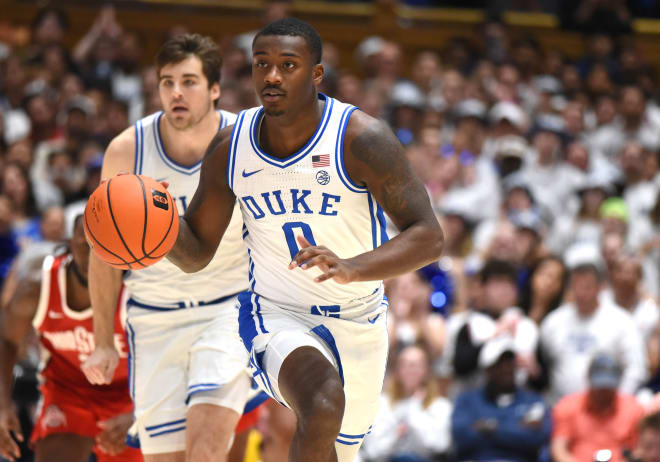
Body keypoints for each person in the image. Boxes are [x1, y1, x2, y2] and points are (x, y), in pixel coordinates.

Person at [166, 18, 444, 462]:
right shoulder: (229, 147)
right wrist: (158, 229)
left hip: (360, 318)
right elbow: (196, 250)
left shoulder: (361, 138)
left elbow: (429, 237)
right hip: (275, 312)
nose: (272, 76)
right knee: (321, 402)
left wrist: (355, 267)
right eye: (262, 64)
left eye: (287, 65)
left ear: (316, 74)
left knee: (338, 446)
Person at [81, 34, 258, 462]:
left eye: (189, 81)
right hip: (155, 318)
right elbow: (103, 252)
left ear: (215, 89)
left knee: (206, 448)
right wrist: (103, 339)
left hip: (228, 310)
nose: (176, 92)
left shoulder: (246, 141)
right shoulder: (127, 151)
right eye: (167, 82)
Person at [0, 215, 142, 462]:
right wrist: (2, 404)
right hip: (67, 392)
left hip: (128, 395)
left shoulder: (137, 293)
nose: (94, 251)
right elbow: (6, 339)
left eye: (102, 243)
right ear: (69, 243)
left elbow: (168, 357)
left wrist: (140, 412)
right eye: (86, 241)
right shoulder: (37, 288)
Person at [451, 336, 551, 462]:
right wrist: (516, 427)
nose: (507, 369)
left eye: (510, 363)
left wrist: (490, 427)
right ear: (487, 370)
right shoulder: (467, 401)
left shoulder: (532, 401)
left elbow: (536, 438)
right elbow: (462, 438)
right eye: (499, 364)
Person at [551, 353, 644, 462]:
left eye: (607, 387)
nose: (603, 393)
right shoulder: (568, 406)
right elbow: (558, 448)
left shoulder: (634, 409)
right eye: (599, 387)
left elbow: (641, 449)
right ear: (589, 380)